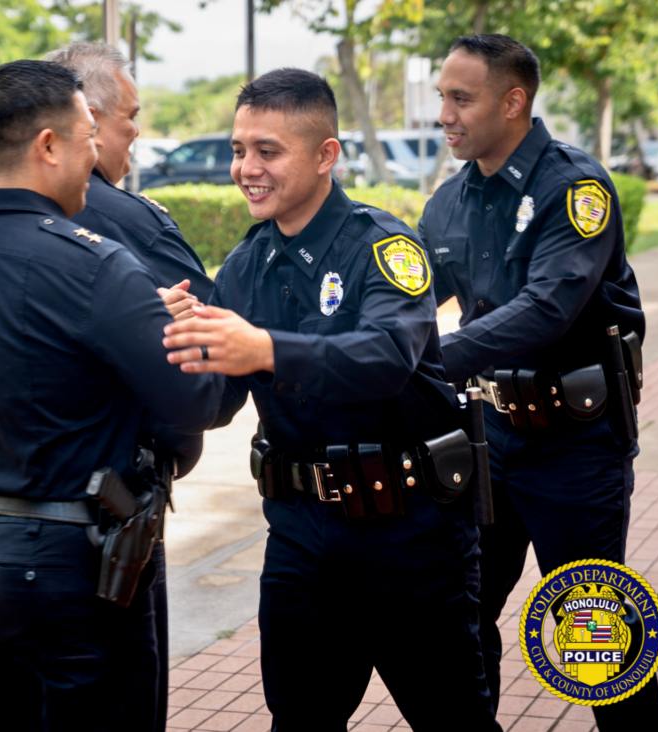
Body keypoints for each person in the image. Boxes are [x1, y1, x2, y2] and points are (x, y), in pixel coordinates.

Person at [163, 68, 501, 731]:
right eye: (238, 150)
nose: (246, 168)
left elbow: (385, 359)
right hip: (300, 537)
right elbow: (216, 403)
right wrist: (173, 345)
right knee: (300, 719)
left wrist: (263, 348)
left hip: (410, 534)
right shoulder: (246, 265)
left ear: (325, 155)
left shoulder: (384, 246)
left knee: (453, 719)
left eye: (267, 150)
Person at [0, 59, 224, 731]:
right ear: (48, 146)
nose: (98, 157)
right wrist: (180, 332)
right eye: (87, 136)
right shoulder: (93, 264)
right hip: (71, 568)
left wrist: (132, 325)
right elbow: (198, 404)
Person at [419, 34, 658, 728]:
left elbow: (548, 309)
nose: (445, 113)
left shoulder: (576, 188)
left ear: (514, 101)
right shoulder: (446, 205)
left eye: (460, 98)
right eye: (443, 96)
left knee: (596, 637)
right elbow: (401, 306)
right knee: (463, 621)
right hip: (489, 444)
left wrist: (435, 357)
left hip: (575, 446)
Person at [41, 40, 215, 730]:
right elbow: (205, 352)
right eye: (128, 117)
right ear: (86, 119)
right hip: (112, 513)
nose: (136, 133)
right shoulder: (127, 220)